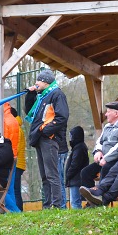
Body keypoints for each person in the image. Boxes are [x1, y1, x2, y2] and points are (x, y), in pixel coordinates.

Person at [25, 69, 69, 209]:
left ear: (45, 81)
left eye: (38, 80)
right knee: (44, 175)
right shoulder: (42, 96)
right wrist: (30, 94)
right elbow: (29, 111)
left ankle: (56, 205)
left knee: (52, 174)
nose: (36, 83)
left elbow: (62, 117)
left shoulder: (57, 94)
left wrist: (45, 131)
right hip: (39, 138)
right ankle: (47, 205)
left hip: (49, 139)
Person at [80, 101, 118, 189]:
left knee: (105, 169)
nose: (106, 114)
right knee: (85, 172)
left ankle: (102, 197)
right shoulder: (107, 126)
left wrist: (106, 158)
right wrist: (98, 151)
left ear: (116, 113)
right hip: (103, 159)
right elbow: (99, 141)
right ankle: (90, 199)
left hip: (116, 160)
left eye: (108, 112)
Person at [65, 126, 89, 209]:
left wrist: (68, 174)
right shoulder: (78, 148)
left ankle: (77, 217)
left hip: (76, 180)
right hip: (75, 179)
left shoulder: (79, 148)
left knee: (75, 202)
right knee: (75, 202)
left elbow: (75, 164)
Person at [10, 107, 26, 211]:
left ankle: (18, 211)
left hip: (17, 163)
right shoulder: (17, 127)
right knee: (15, 189)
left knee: (15, 190)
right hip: (18, 163)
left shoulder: (16, 129)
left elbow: (15, 146)